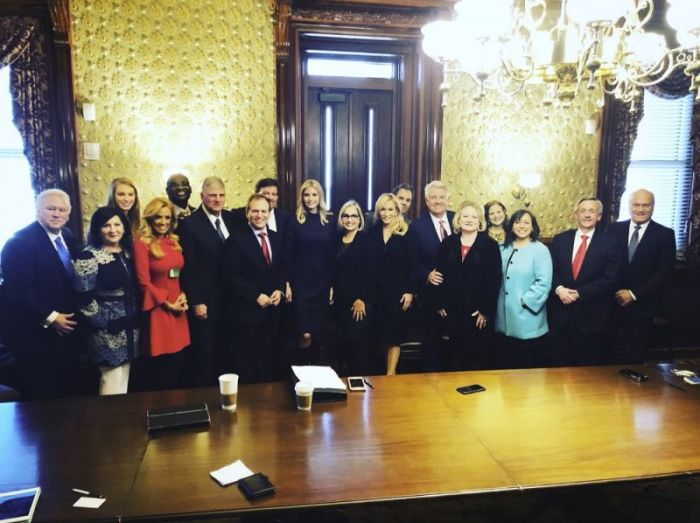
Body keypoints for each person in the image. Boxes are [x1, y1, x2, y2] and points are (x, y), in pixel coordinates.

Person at [1, 189, 81, 400]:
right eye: (50, 208)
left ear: (68, 213)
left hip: (68, 334)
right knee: (41, 399)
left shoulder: (69, 237)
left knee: (67, 393)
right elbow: (18, 290)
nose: (56, 214)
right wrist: (51, 317)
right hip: (36, 337)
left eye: (62, 210)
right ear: (38, 211)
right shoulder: (18, 243)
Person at [73, 207, 139, 395]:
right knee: (111, 380)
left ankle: (121, 423)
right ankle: (108, 423)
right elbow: (83, 297)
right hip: (106, 330)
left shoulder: (128, 253)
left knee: (124, 378)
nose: (113, 230)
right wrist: (102, 322)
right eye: (106, 225)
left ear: (124, 228)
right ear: (97, 229)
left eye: (117, 224)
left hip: (130, 327)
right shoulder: (88, 255)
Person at [549, 197, 622, 366]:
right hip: (561, 314)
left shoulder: (611, 243)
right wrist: (559, 289)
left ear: (599, 216)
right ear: (576, 214)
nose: (587, 215)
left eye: (592, 211)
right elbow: (551, 271)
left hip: (592, 317)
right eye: (583, 211)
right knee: (558, 367)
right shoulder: (560, 239)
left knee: (587, 369)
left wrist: (580, 293)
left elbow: (611, 278)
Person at [178, 176, 236, 386]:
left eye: (221, 195)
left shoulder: (232, 219)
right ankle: (205, 398)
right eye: (212, 195)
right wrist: (196, 301)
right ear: (202, 196)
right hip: (206, 303)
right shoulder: (190, 224)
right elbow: (189, 267)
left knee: (226, 354)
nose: (217, 200)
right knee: (205, 356)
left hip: (232, 301)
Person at [223, 194, 286, 383]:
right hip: (247, 314)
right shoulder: (235, 240)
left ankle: (267, 408)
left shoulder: (276, 238)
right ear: (247, 212)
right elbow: (230, 276)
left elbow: (281, 269)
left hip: (273, 314)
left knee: (269, 363)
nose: (259, 215)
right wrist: (255, 296)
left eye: (263, 211)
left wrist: (280, 290)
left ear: (269, 213)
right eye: (255, 211)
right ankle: (249, 409)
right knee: (247, 365)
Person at [610, 189, 676, 364]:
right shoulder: (614, 229)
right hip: (611, 301)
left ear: (653, 207)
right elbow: (606, 264)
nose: (640, 209)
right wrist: (617, 292)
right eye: (636, 204)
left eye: (645, 205)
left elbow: (664, 272)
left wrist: (633, 294)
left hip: (643, 304)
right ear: (630, 206)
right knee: (606, 353)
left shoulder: (665, 234)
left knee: (634, 355)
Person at [436, 201, 501, 371]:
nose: (469, 220)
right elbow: (439, 274)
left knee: (475, 359)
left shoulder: (490, 245)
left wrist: (485, 311)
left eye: (474, 216)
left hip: (477, 314)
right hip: (452, 311)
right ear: (458, 219)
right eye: (465, 216)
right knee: (454, 358)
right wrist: (440, 302)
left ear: (480, 221)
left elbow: (494, 281)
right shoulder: (448, 243)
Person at [133, 197, 190, 390]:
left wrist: (183, 295)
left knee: (178, 362)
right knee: (161, 367)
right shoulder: (142, 244)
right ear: (150, 218)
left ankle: (176, 408)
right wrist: (167, 303)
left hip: (178, 309)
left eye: (167, 217)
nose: (163, 222)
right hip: (158, 309)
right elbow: (143, 281)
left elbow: (177, 274)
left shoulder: (173, 242)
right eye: (158, 217)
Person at [494, 209, 553, 369]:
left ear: (533, 227)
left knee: (528, 372)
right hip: (502, 320)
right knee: (505, 371)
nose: (522, 226)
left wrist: (523, 302)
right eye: (517, 222)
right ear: (511, 226)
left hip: (528, 319)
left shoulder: (540, 250)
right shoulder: (501, 248)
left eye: (526, 222)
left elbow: (544, 283)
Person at [411, 180, 454, 371]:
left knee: (457, 346)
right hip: (430, 296)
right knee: (432, 347)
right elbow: (411, 261)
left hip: (458, 296)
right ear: (426, 201)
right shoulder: (417, 226)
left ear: (448, 199)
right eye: (433, 198)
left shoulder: (458, 220)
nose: (438, 201)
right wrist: (426, 274)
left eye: (441, 197)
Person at [370, 193, 415, 375]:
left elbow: (413, 264)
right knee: (378, 333)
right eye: (383, 209)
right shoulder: (372, 232)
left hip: (398, 293)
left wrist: (410, 291)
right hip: (376, 292)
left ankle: (391, 375)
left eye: (390, 209)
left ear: (397, 211)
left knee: (393, 336)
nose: (386, 213)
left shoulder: (407, 233)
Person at [288, 179, 336, 350]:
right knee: (304, 332)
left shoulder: (329, 221)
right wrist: (287, 283)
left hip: (322, 282)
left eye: (314, 194)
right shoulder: (294, 220)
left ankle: (317, 372)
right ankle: (301, 372)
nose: (310, 199)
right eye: (306, 195)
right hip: (301, 282)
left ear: (320, 196)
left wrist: (331, 285)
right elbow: (289, 254)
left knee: (319, 333)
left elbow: (332, 256)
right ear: (302, 197)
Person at [332, 200, 376, 375]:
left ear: (360, 219)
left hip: (359, 303)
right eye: (346, 215)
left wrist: (361, 299)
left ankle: (359, 392)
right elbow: (332, 269)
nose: (349, 219)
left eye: (353, 216)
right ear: (341, 218)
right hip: (340, 302)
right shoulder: (336, 240)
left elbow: (372, 274)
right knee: (341, 347)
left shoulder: (367, 242)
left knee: (357, 349)